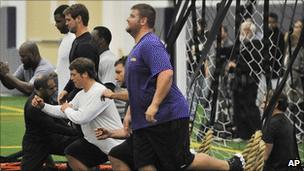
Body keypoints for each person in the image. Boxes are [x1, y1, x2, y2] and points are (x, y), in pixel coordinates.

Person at [100, 3, 245, 171]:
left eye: (132, 16)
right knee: (132, 160)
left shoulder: (151, 44)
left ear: (143, 21)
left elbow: (166, 74)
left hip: (166, 117)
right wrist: (130, 113)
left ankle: (229, 166)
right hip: (144, 124)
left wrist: (154, 105)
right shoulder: (137, 48)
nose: (127, 18)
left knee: (183, 163)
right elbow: (140, 89)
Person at [32, 57, 124, 171]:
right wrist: (43, 106)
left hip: (114, 144)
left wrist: (66, 109)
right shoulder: (81, 94)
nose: (71, 79)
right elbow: (63, 111)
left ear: (84, 74)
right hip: (95, 143)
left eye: (73, 75)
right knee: (72, 153)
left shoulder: (99, 92)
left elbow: (82, 118)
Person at [21, 73, 78, 171]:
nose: (55, 90)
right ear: (40, 89)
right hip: (36, 144)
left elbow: (55, 117)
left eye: (55, 87)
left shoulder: (45, 97)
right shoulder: (34, 106)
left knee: (76, 147)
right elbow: (53, 126)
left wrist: (72, 131)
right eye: (51, 88)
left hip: (49, 139)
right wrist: (74, 132)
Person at [58, 3, 99, 104]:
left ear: (79, 19)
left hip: (86, 98)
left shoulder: (85, 45)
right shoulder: (77, 41)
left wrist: (70, 100)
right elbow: (75, 74)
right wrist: (66, 90)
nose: (66, 23)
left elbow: (85, 78)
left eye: (68, 20)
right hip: (79, 93)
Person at [228, 19, 262, 140]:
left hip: (250, 82)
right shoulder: (240, 45)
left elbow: (254, 65)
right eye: (242, 30)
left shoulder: (256, 45)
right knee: (238, 107)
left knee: (249, 107)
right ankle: (242, 134)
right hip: (238, 82)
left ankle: (256, 133)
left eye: (246, 30)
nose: (244, 33)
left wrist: (236, 65)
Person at [262, 91, 300, 171]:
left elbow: (264, 157)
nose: (262, 106)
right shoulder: (288, 122)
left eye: (265, 102)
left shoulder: (271, 124)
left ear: (275, 104)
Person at [54, 4, 76, 93]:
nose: (56, 25)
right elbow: (63, 66)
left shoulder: (74, 38)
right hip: (63, 90)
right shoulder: (66, 38)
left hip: (70, 92)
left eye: (58, 21)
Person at [91, 26, 116, 91]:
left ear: (102, 41)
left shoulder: (109, 60)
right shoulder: (100, 58)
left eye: (93, 39)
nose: (90, 42)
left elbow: (109, 87)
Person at [268, 12, 285, 89]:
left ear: (276, 23)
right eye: (269, 22)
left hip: (277, 70)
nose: (270, 24)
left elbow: (280, 53)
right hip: (267, 71)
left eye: (272, 22)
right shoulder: (265, 34)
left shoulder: (280, 36)